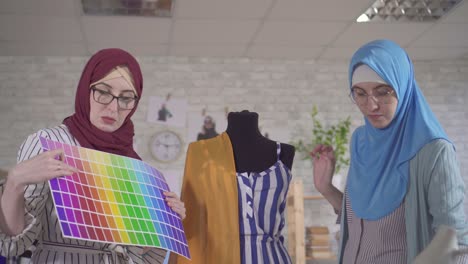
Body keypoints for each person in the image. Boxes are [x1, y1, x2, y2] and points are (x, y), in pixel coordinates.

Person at [0, 48, 186, 263]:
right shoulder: (48, 143)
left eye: (126, 98)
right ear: (85, 90)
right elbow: (14, 243)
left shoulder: (131, 162)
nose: (113, 107)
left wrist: (167, 224)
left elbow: (140, 256)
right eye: (103, 92)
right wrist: (14, 181)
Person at [311, 39, 468, 264]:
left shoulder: (434, 152)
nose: (371, 105)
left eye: (383, 92)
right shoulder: (361, 141)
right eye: (360, 93)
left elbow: (456, 244)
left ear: (402, 87)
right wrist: (325, 188)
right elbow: (362, 220)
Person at [178, 110, 295, 264]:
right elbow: (192, 219)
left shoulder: (284, 153)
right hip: (219, 258)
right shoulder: (202, 154)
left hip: (273, 258)